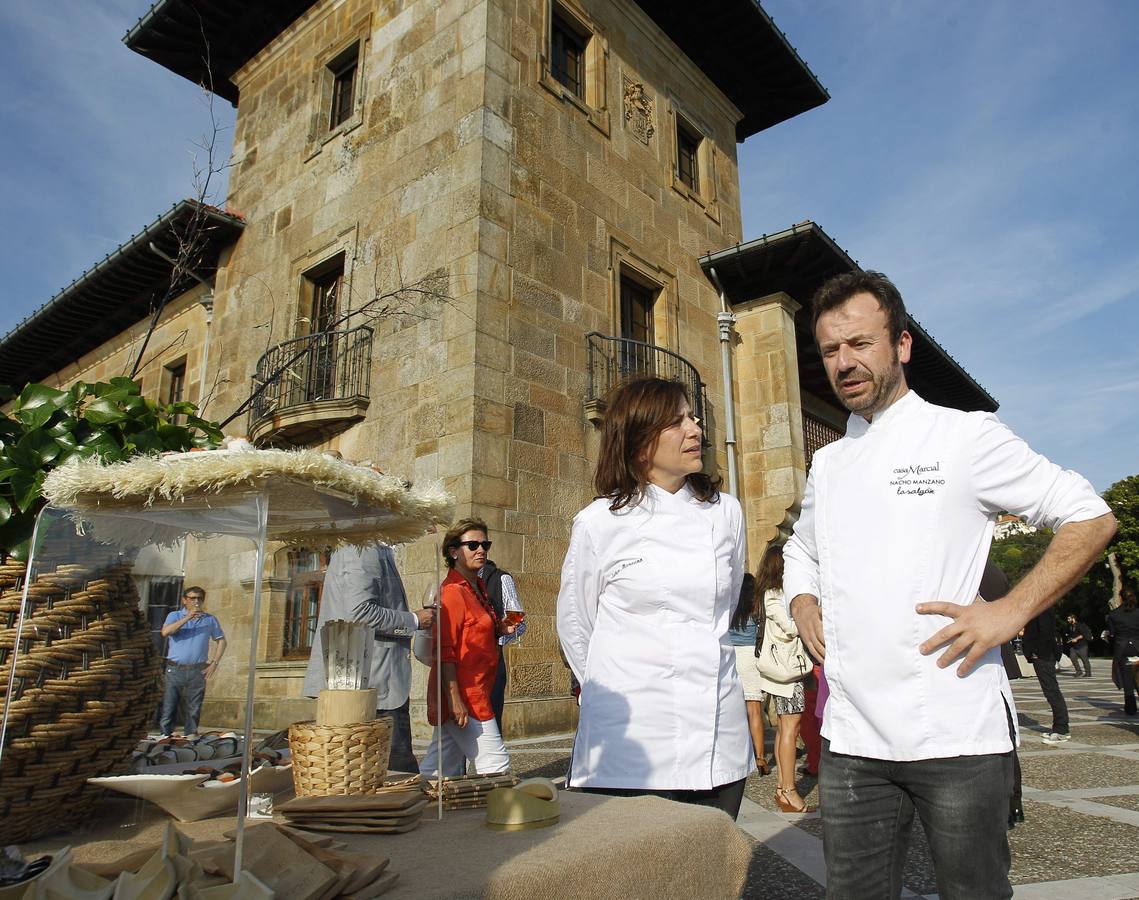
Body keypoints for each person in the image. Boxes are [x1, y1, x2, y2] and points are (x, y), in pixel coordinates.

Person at [783, 271, 1116, 899]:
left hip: (956, 734)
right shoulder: (827, 464)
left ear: (901, 345)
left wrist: (1011, 611)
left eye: (861, 343)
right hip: (852, 739)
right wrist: (802, 598)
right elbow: (802, 546)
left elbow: (1090, 515)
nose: (845, 363)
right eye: (831, 350)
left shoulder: (964, 437)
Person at [557, 377, 752, 819]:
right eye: (678, 421)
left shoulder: (726, 513)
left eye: (693, 417)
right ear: (640, 441)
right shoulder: (598, 523)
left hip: (717, 736)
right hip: (631, 744)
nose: (695, 430)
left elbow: (724, 606)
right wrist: (613, 692)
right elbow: (575, 622)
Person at [302, 543, 432, 773]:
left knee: (365, 774)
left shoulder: (367, 548)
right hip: (374, 687)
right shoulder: (363, 550)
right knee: (393, 776)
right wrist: (414, 621)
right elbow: (360, 614)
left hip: (370, 683)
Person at [420, 518, 517, 777]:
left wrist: (500, 628)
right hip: (466, 694)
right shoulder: (452, 591)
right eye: (472, 545)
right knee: (496, 765)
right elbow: (445, 650)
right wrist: (454, 699)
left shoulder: (478, 587)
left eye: (485, 544)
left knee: (440, 768)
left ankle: (418, 807)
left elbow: (474, 630)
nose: (481, 550)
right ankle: (501, 814)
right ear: (454, 552)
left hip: (477, 689)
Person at [755, 545, 815, 813]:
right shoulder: (774, 596)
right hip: (787, 673)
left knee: (783, 728)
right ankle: (790, 790)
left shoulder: (770, 594)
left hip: (782, 672)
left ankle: (783, 788)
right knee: (791, 727)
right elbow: (791, 627)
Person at [159, 586, 226, 739]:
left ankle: (190, 737)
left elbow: (221, 641)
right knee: (170, 704)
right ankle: (165, 736)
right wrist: (188, 617)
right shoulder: (174, 615)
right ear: (184, 600)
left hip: (197, 669)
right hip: (175, 669)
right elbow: (165, 632)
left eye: (199, 599)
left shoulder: (210, 619)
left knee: (194, 707)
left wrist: (214, 663)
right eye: (192, 598)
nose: (196, 601)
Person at [479, 557, 527, 733]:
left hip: (491, 660)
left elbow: (518, 619)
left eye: (483, 545)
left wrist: (496, 638)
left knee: (490, 723)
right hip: (462, 660)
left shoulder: (500, 578)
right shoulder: (455, 581)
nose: (479, 550)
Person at [729, 573, 768, 774]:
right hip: (751, 656)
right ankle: (760, 757)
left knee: (733, 710)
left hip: (732, 655)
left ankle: (739, 755)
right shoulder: (756, 606)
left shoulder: (730, 606)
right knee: (754, 710)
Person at [1022, 608, 1070, 744]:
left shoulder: (1043, 609)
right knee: (1051, 691)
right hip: (1042, 654)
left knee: (1052, 691)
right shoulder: (1040, 608)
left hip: (1043, 655)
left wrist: (1037, 652)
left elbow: (1046, 632)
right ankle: (1060, 727)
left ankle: (1061, 729)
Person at [1107, 586, 1139, 716]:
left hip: (1123, 648)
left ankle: (1130, 707)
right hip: (1137, 647)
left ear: (1120, 598)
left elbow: (1112, 633)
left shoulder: (1113, 615)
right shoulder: (1138, 613)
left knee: (1127, 679)